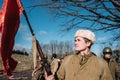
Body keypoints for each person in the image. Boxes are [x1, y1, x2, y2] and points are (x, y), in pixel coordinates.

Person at [45, 29, 113, 80]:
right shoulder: (67, 60)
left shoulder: (101, 63)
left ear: (88, 43)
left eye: (79, 40)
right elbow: (59, 78)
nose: (75, 43)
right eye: (75, 40)